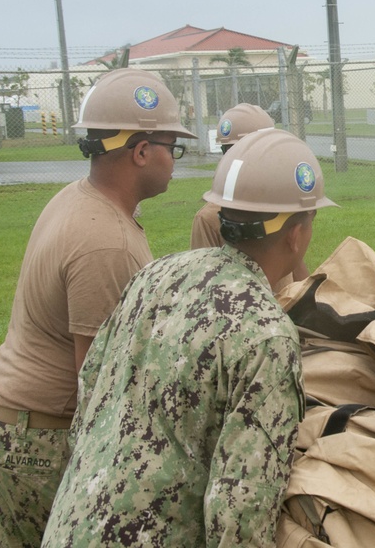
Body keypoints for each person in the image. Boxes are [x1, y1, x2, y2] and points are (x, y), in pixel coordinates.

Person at [42, 128, 338, 547]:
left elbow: (89, 393)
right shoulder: (267, 335)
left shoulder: (156, 275)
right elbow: (240, 515)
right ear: (295, 234)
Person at [0, 68, 196, 547]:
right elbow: (99, 386)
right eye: (172, 148)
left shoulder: (77, 200)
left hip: (14, 427)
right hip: (40, 442)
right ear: (141, 151)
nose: (174, 161)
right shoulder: (106, 242)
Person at [190, 103, 308, 293]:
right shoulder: (210, 218)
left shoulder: (284, 202)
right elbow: (203, 285)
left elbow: (296, 263)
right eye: (227, 152)